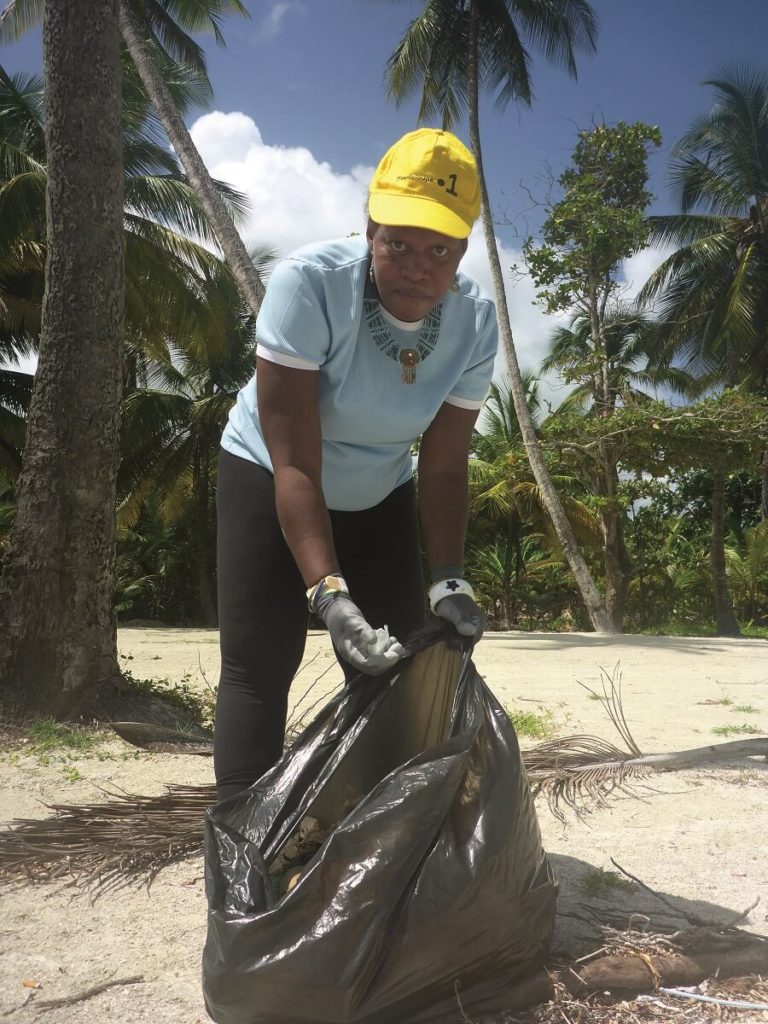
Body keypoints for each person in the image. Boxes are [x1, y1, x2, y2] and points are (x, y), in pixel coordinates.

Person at [214, 128, 498, 802]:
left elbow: (446, 465)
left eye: (439, 249)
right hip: (270, 474)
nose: (416, 266)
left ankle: (377, 834)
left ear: (461, 251)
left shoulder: (475, 323)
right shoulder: (309, 286)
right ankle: (239, 848)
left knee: (393, 672)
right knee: (260, 665)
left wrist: (450, 580)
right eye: (397, 242)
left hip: (381, 489)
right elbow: (295, 466)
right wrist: (327, 592)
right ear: (369, 226)